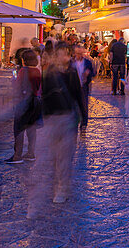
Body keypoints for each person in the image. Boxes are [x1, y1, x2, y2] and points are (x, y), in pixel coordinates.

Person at [35, 41, 84, 205]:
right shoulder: (50, 72)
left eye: (66, 53)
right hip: (53, 118)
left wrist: (84, 118)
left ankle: (62, 189)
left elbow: (79, 94)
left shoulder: (71, 72)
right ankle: (57, 185)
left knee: (65, 156)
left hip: (68, 117)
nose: (65, 56)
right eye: (62, 53)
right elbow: (45, 96)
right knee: (55, 156)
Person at [6, 49, 41, 164]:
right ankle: (31, 153)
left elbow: (17, 86)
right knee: (31, 128)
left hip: (23, 102)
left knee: (19, 128)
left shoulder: (23, 71)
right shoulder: (37, 70)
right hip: (35, 102)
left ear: (24, 60)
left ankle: (17, 155)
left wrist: (13, 80)